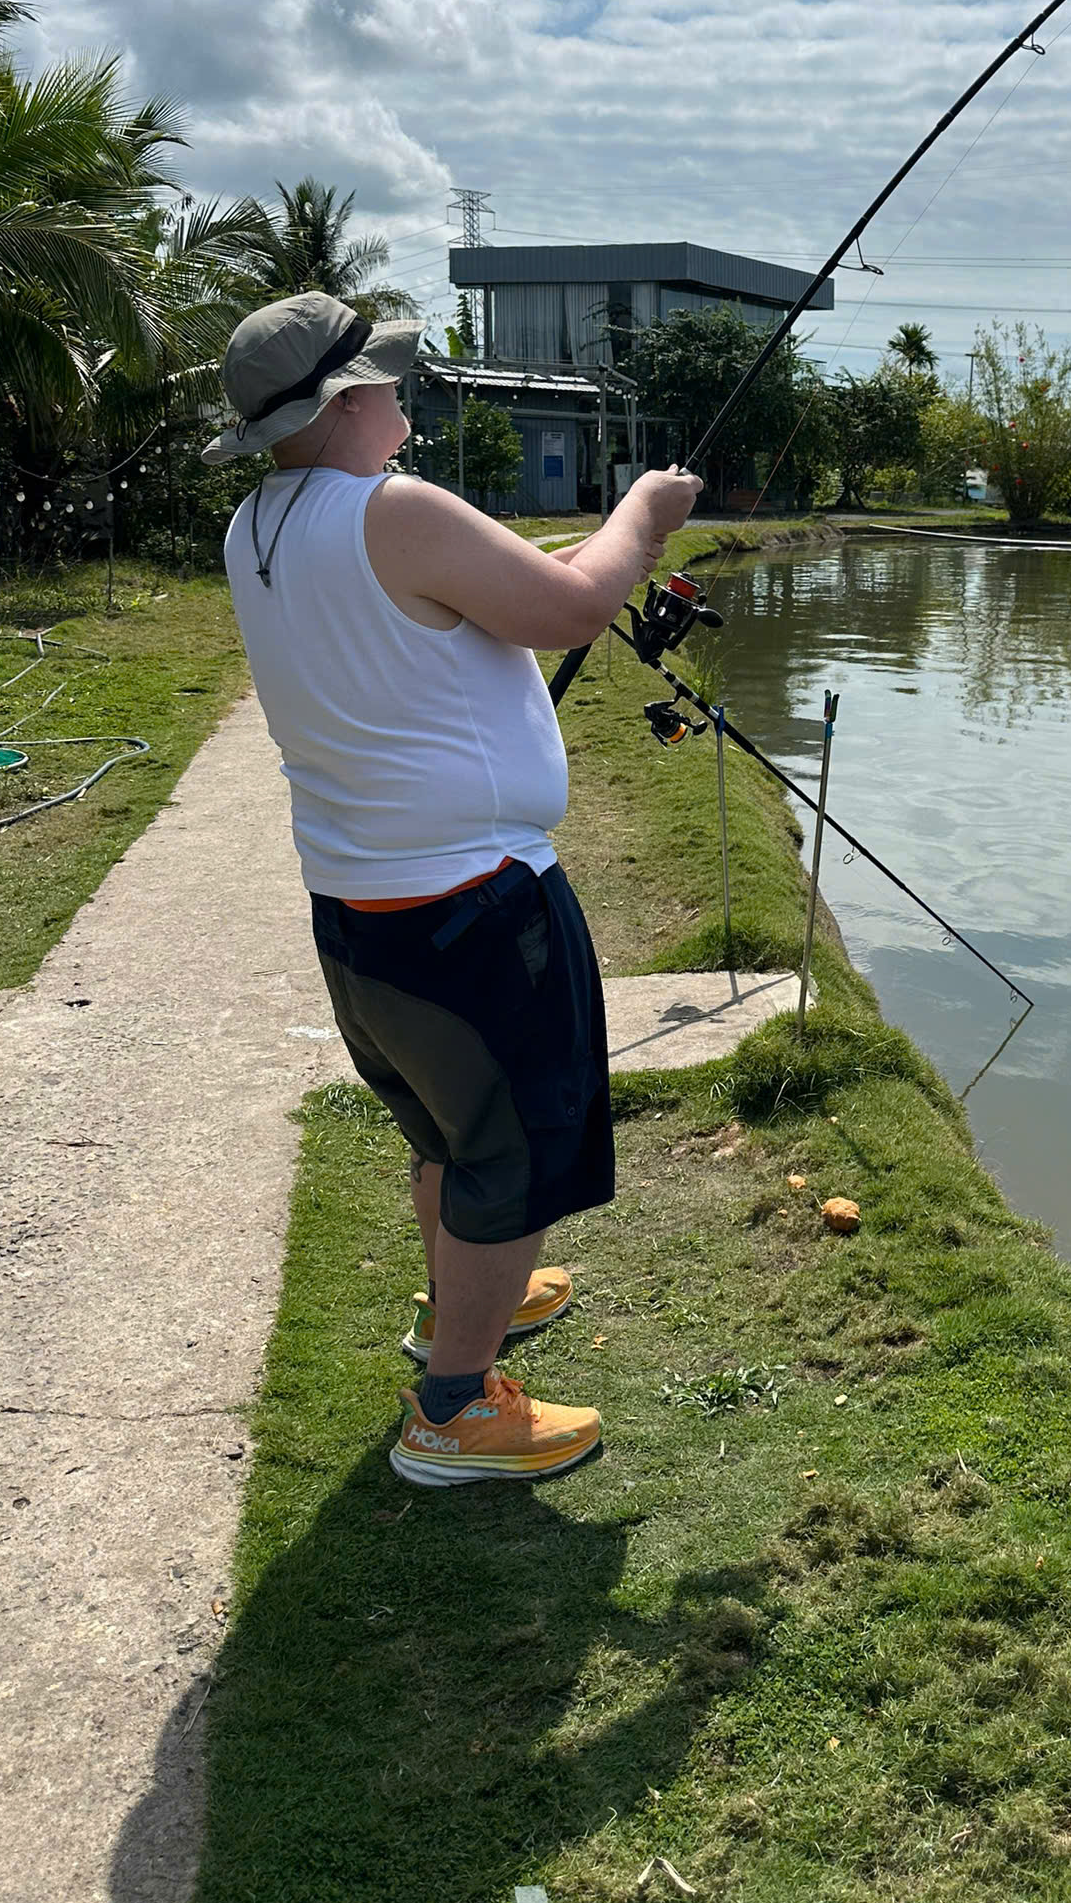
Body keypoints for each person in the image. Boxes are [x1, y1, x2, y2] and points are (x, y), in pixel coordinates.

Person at [206, 292, 701, 1486]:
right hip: (473, 912)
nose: (401, 400)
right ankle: (456, 1409)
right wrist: (647, 506)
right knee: (513, 1151)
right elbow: (577, 602)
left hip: (360, 916)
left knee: (444, 1126)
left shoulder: (254, 528)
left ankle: (461, 1310)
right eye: (385, 383)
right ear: (342, 403)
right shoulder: (392, 512)